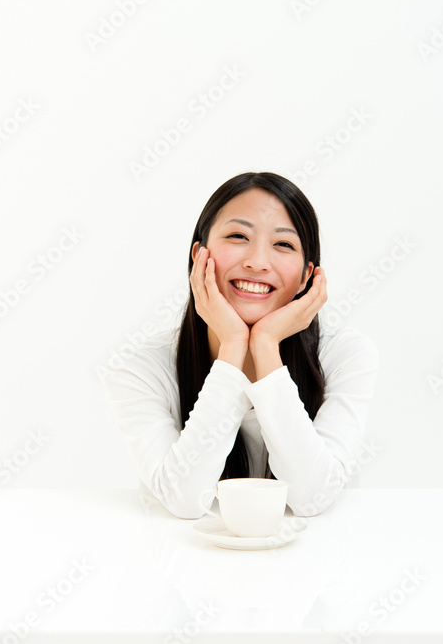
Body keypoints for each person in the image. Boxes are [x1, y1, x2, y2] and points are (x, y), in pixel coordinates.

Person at [104, 172, 378, 519]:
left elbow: (311, 498)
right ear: (199, 255)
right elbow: (185, 501)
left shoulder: (346, 356)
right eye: (238, 236)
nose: (257, 262)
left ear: (308, 276)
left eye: (283, 245)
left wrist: (265, 345)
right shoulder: (140, 370)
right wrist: (234, 346)